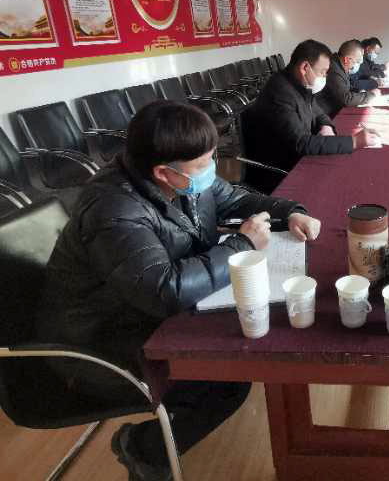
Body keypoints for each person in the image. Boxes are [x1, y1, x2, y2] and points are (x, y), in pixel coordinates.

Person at [37, 101, 323, 481]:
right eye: (203, 164)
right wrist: (240, 245)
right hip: (97, 344)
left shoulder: (181, 177)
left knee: (237, 354)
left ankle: (151, 446)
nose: (211, 170)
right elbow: (165, 290)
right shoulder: (113, 209)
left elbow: (234, 197)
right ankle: (144, 450)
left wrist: (290, 211)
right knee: (227, 377)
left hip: (139, 314)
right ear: (163, 172)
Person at [249, 39, 380, 185]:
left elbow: (317, 109)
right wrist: (354, 142)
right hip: (282, 170)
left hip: (299, 155)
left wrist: (326, 125)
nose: (325, 77)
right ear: (305, 67)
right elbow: (301, 143)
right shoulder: (279, 92)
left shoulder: (297, 82)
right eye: (323, 72)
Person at [316, 39, 380, 116]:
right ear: (346, 59)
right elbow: (346, 99)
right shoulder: (334, 69)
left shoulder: (340, 65)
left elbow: (346, 87)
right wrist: (371, 95)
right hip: (327, 114)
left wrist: (359, 91)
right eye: (357, 61)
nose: (358, 65)